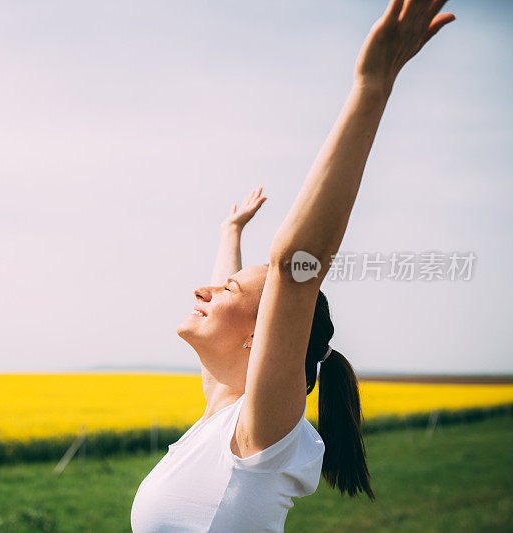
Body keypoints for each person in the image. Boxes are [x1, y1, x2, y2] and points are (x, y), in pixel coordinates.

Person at [130, 1, 456, 531]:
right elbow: (248, 303)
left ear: (261, 339)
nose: (205, 291)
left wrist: (371, 90)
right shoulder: (224, 413)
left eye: (227, 290)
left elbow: (292, 271)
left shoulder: (260, 435)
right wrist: (229, 235)